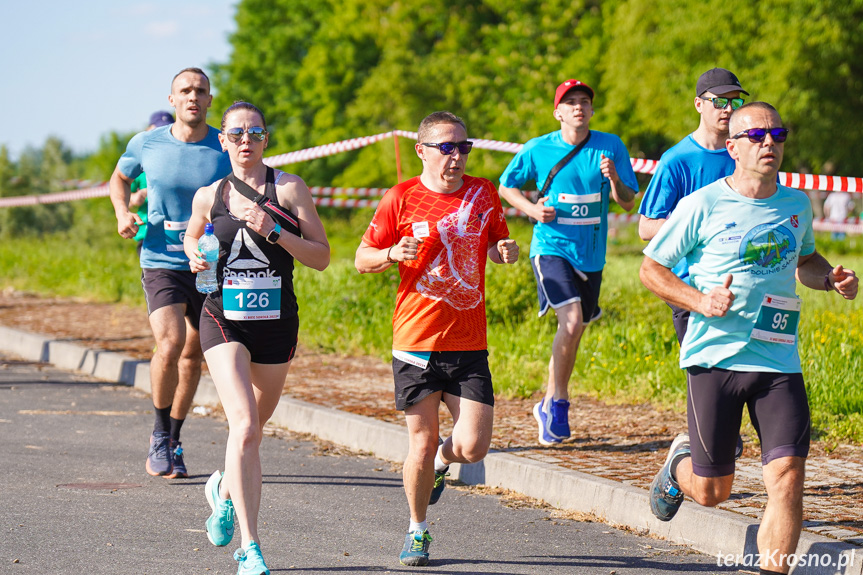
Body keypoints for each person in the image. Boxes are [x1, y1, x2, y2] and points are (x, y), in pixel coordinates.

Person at [640, 102, 858, 575]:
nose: (769, 144)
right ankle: (679, 465)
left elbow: (805, 261)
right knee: (713, 492)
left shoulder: (796, 204)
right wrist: (700, 301)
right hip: (714, 359)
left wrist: (829, 279)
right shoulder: (703, 204)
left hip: (778, 360)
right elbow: (650, 268)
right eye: (757, 136)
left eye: (777, 135)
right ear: (732, 146)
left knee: (787, 475)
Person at [355, 111, 519, 567]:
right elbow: (361, 257)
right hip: (416, 341)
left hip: (468, 341)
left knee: (472, 447)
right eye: (446, 147)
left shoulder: (483, 191)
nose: (456, 156)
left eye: (463, 147)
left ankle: (442, 467)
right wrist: (390, 252)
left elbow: (495, 240)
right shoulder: (401, 197)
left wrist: (503, 250)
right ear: (422, 150)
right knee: (421, 444)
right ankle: (417, 529)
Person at [184, 101, 329, 575]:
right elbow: (192, 236)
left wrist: (274, 232)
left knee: (254, 430)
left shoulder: (289, 188)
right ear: (222, 140)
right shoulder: (209, 195)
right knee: (244, 426)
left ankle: (223, 489)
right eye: (237, 134)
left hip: (277, 321)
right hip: (223, 317)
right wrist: (195, 255)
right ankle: (251, 548)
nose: (246, 140)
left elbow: (321, 256)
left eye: (256, 133)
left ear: (266, 139)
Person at [498, 79, 638, 446]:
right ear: (558, 112)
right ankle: (558, 404)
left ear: (592, 111)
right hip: (550, 248)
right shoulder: (538, 148)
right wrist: (531, 209)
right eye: (570, 102)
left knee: (575, 330)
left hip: (591, 257)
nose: (578, 107)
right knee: (572, 321)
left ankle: (546, 402)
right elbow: (505, 185)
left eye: (584, 102)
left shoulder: (611, 147)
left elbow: (627, 202)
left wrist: (615, 178)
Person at [109, 68, 231, 478]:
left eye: (200, 91)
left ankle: (174, 439)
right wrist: (122, 211)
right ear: (172, 99)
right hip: (161, 258)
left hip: (210, 262)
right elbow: (119, 177)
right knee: (171, 342)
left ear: (210, 100)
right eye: (185, 91)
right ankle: (159, 434)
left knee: (194, 353)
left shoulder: (224, 144)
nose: (193, 97)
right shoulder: (147, 143)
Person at [638, 68, 748, 343]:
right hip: (692, 287)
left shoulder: (749, 153)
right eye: (720, 101)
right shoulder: (676, 160)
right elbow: (646, 227)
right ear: (699, 104)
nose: (728, 109)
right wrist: (701, 227)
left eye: (735, 102)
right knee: (705, 376)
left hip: (744, 284)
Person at [129, 111, 176, 256]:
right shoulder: (140, 162)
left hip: (175, 232)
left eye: (167, 129)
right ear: (149, 130)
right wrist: (134, 198)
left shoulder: (178, 160)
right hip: (146, 232)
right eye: (158, 130)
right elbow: (125, 196)